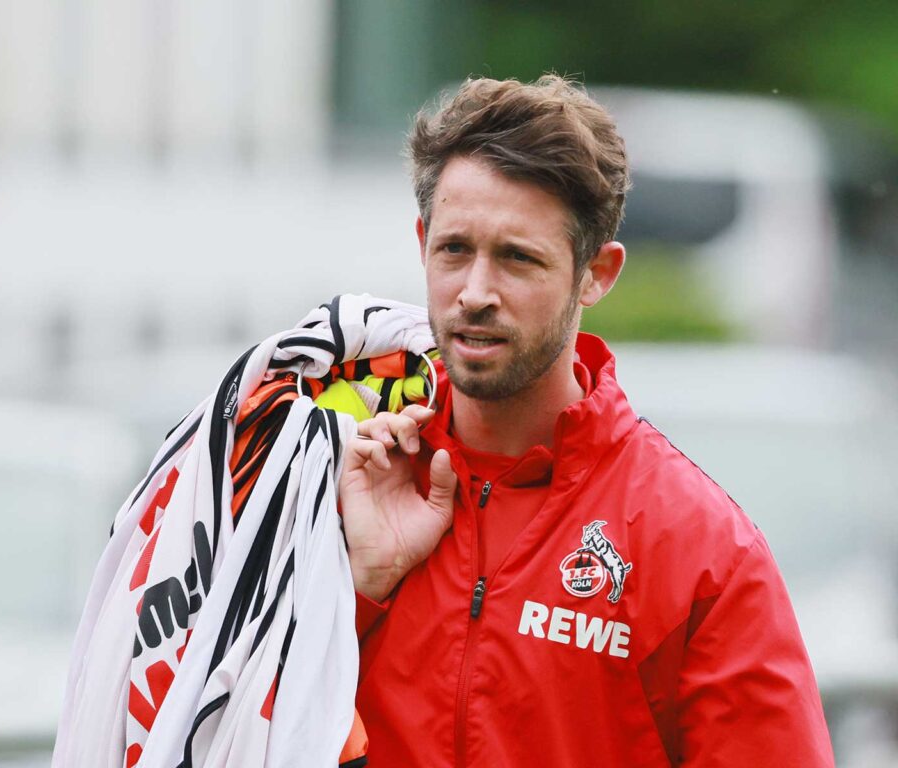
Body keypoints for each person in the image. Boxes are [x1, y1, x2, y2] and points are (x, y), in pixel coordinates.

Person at [337, 75, 834, 766]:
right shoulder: (343, 491)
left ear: (596, 273)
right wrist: (360, 592)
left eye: (517, 258)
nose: (475, 293)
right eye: (455, 249)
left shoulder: (702, 550)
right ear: (423, 242)